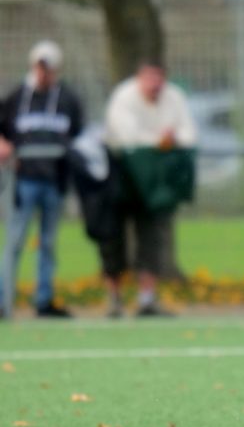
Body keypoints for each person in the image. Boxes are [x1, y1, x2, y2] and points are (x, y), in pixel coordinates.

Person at [103, 61, 197, 317]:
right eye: (149, 79)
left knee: (152, 236)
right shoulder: (124, 97)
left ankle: (147, 300)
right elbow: (127, 136)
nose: (155, 85)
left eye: (159, 80)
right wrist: (161, 139)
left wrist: (172, 138)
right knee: (114, 237)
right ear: (139, 78)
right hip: (122, 176)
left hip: (155, 179)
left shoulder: (174, 97)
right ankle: (114, 300)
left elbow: (189, 133)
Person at [0, 40, 84, 318]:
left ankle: (43, 300)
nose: (44, 73)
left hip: (55, 181)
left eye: (49, 68)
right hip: (22, 181)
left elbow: (79, 135)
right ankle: (3, 300)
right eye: (40, 67)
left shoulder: (68, 99)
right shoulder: (16, 97)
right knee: (14, 239)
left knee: (48, 243)